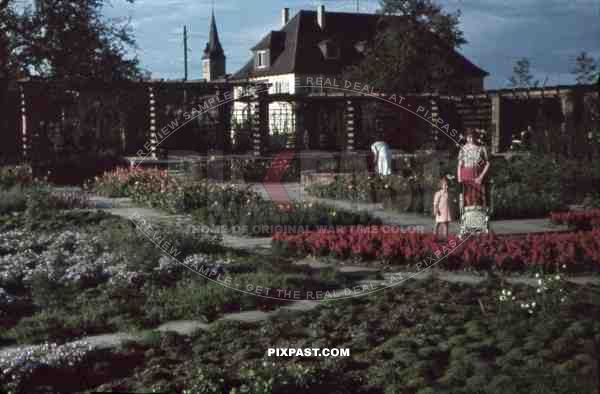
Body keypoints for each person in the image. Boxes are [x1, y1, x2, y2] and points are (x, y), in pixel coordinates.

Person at [457, 129, 490, 207]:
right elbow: (460, 165)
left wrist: (481, 176)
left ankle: (479, 217)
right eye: (469, 137)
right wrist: (459, 177)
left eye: (472, 137)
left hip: (477, 175)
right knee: (467, 198)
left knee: (477, 198)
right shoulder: (463, 149)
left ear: (475, 137)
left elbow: (487, 164)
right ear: (466, 138)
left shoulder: (481, 148)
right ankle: (467, 218)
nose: (471, 139)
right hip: (465, 175)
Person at [433, 175, 452, 239]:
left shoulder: (447, 193)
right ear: (441, 186)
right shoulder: (439, 193)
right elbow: (435, 202)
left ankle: (445, 237)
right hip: (440, 211)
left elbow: (448, 202)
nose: (447, 187)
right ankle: (435, 236)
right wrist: (435, 209)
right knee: (437, 224)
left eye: (447, 185)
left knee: (445, 224)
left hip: (445, 211)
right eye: (445, 185)